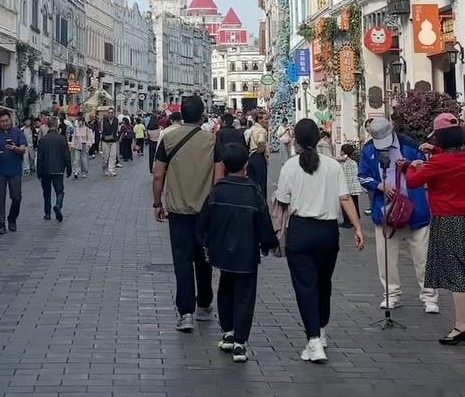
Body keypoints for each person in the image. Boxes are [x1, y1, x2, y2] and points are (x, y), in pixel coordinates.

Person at [276, 118, 364, 363]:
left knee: (305, 285)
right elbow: (346, 198)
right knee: (324, 282)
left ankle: (313, 340)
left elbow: (282, 201)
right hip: (327, 232)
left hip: (300, 231)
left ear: (296, 140)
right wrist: (357, 227)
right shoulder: (333, 166)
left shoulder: (290, 166)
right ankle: (321, 329)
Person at [199, 143, 279, 363]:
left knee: (225, 288)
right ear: (245, 165)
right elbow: (263, 222)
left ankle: (227, 332)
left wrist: (206, 242)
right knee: (245, 295)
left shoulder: (217, 191)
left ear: (223, 165)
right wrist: (267, 243)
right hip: (246, 252)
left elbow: (205, 221)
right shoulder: (253, 192)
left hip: (222, 251)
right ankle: (240, 343)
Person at [358, 116, 438, 314]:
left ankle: (429, 296)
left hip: (415, 206)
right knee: (385, 256)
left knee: (422, 255)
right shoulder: (369, 149)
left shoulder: (409, 144)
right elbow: (363, 175)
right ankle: (391, 294)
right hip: (385, 210)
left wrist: (410, 165)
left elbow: (425, 168)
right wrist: (379, 185)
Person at [153, 94, 215, 332]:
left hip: (178, 210)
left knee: (182, 261)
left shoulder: (168, 139)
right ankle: (205, 304)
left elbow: (158, 175)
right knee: (204, 258)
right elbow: (218, 177)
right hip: (205, 210)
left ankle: (186, 312)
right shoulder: (211, 140)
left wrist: (157, 203)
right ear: (202, 115)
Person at [406, 116, 465, 344]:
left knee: (458, 274)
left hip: (449, 219)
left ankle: (460, 325)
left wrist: (412, 166)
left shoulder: (440, 163)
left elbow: (413, 181)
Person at [0, 109, 27, 235]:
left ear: (10, 120)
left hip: (15, 171)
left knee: (16, 197)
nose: (4, 123)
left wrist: (15, 148)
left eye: (6, 120)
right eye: (2, 121)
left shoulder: (18, 133)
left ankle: (12, 218)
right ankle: (1, 224)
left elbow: (23, 149)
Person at [36, 117, 72, 221]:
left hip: (46, 170)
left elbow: (40, 157)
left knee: (46, 192)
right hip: (58, 169)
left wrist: (39, 172)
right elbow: (67, 154)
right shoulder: (62, 138)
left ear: (47, 125)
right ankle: (58, 205)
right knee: (60, 191)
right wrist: (68, 168)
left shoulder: (43, 139)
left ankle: (47, 213)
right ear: (56, 125)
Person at [337, 144, 361, 228]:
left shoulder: (342, 163)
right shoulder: (353, 162)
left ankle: (346, 222)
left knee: (345, 205)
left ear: (343, 152)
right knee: (355, 203)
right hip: (355, 187)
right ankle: (355, 220)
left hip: (346, 187)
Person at [71, 114, 94, 178]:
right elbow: (73, 137)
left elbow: (90, 138)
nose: (80, 122)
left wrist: (89, 145)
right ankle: (76, 171)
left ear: (83, 121)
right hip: (77, 145)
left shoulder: (87, 129)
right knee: (76, 159)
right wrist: (72, 144)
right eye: (79, 121)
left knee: (83, 159)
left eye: (81, 121)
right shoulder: (76, 129)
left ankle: (84, 171)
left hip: (84, 145)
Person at [100, 107, 120, 177]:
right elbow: (101, 130)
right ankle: (105, 169)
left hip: (114, 140)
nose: (110, 114)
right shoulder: (104, 120)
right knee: (105, 157)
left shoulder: (116, 120)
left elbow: (117, 130)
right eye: (109, 113)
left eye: (112, 113)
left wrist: (117, 137)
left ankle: (111, 170)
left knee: (113, 156)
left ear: (114, 114)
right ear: (107, 113)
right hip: (105, 140)